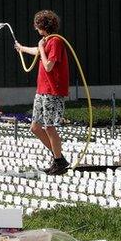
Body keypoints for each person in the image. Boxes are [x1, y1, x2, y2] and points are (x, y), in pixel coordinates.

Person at [14, 10, 70, 175]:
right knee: (35, 127)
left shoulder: (56, 42)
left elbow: (48, 66)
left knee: (50, 127)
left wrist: (40, 47)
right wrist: (22, 48)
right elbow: (39, 51)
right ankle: (59, 158)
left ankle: (59, 162)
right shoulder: (46, 41)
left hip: (52, 91)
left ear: (42, 26)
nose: (35, 28)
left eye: (37, 25)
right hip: (42, 90)